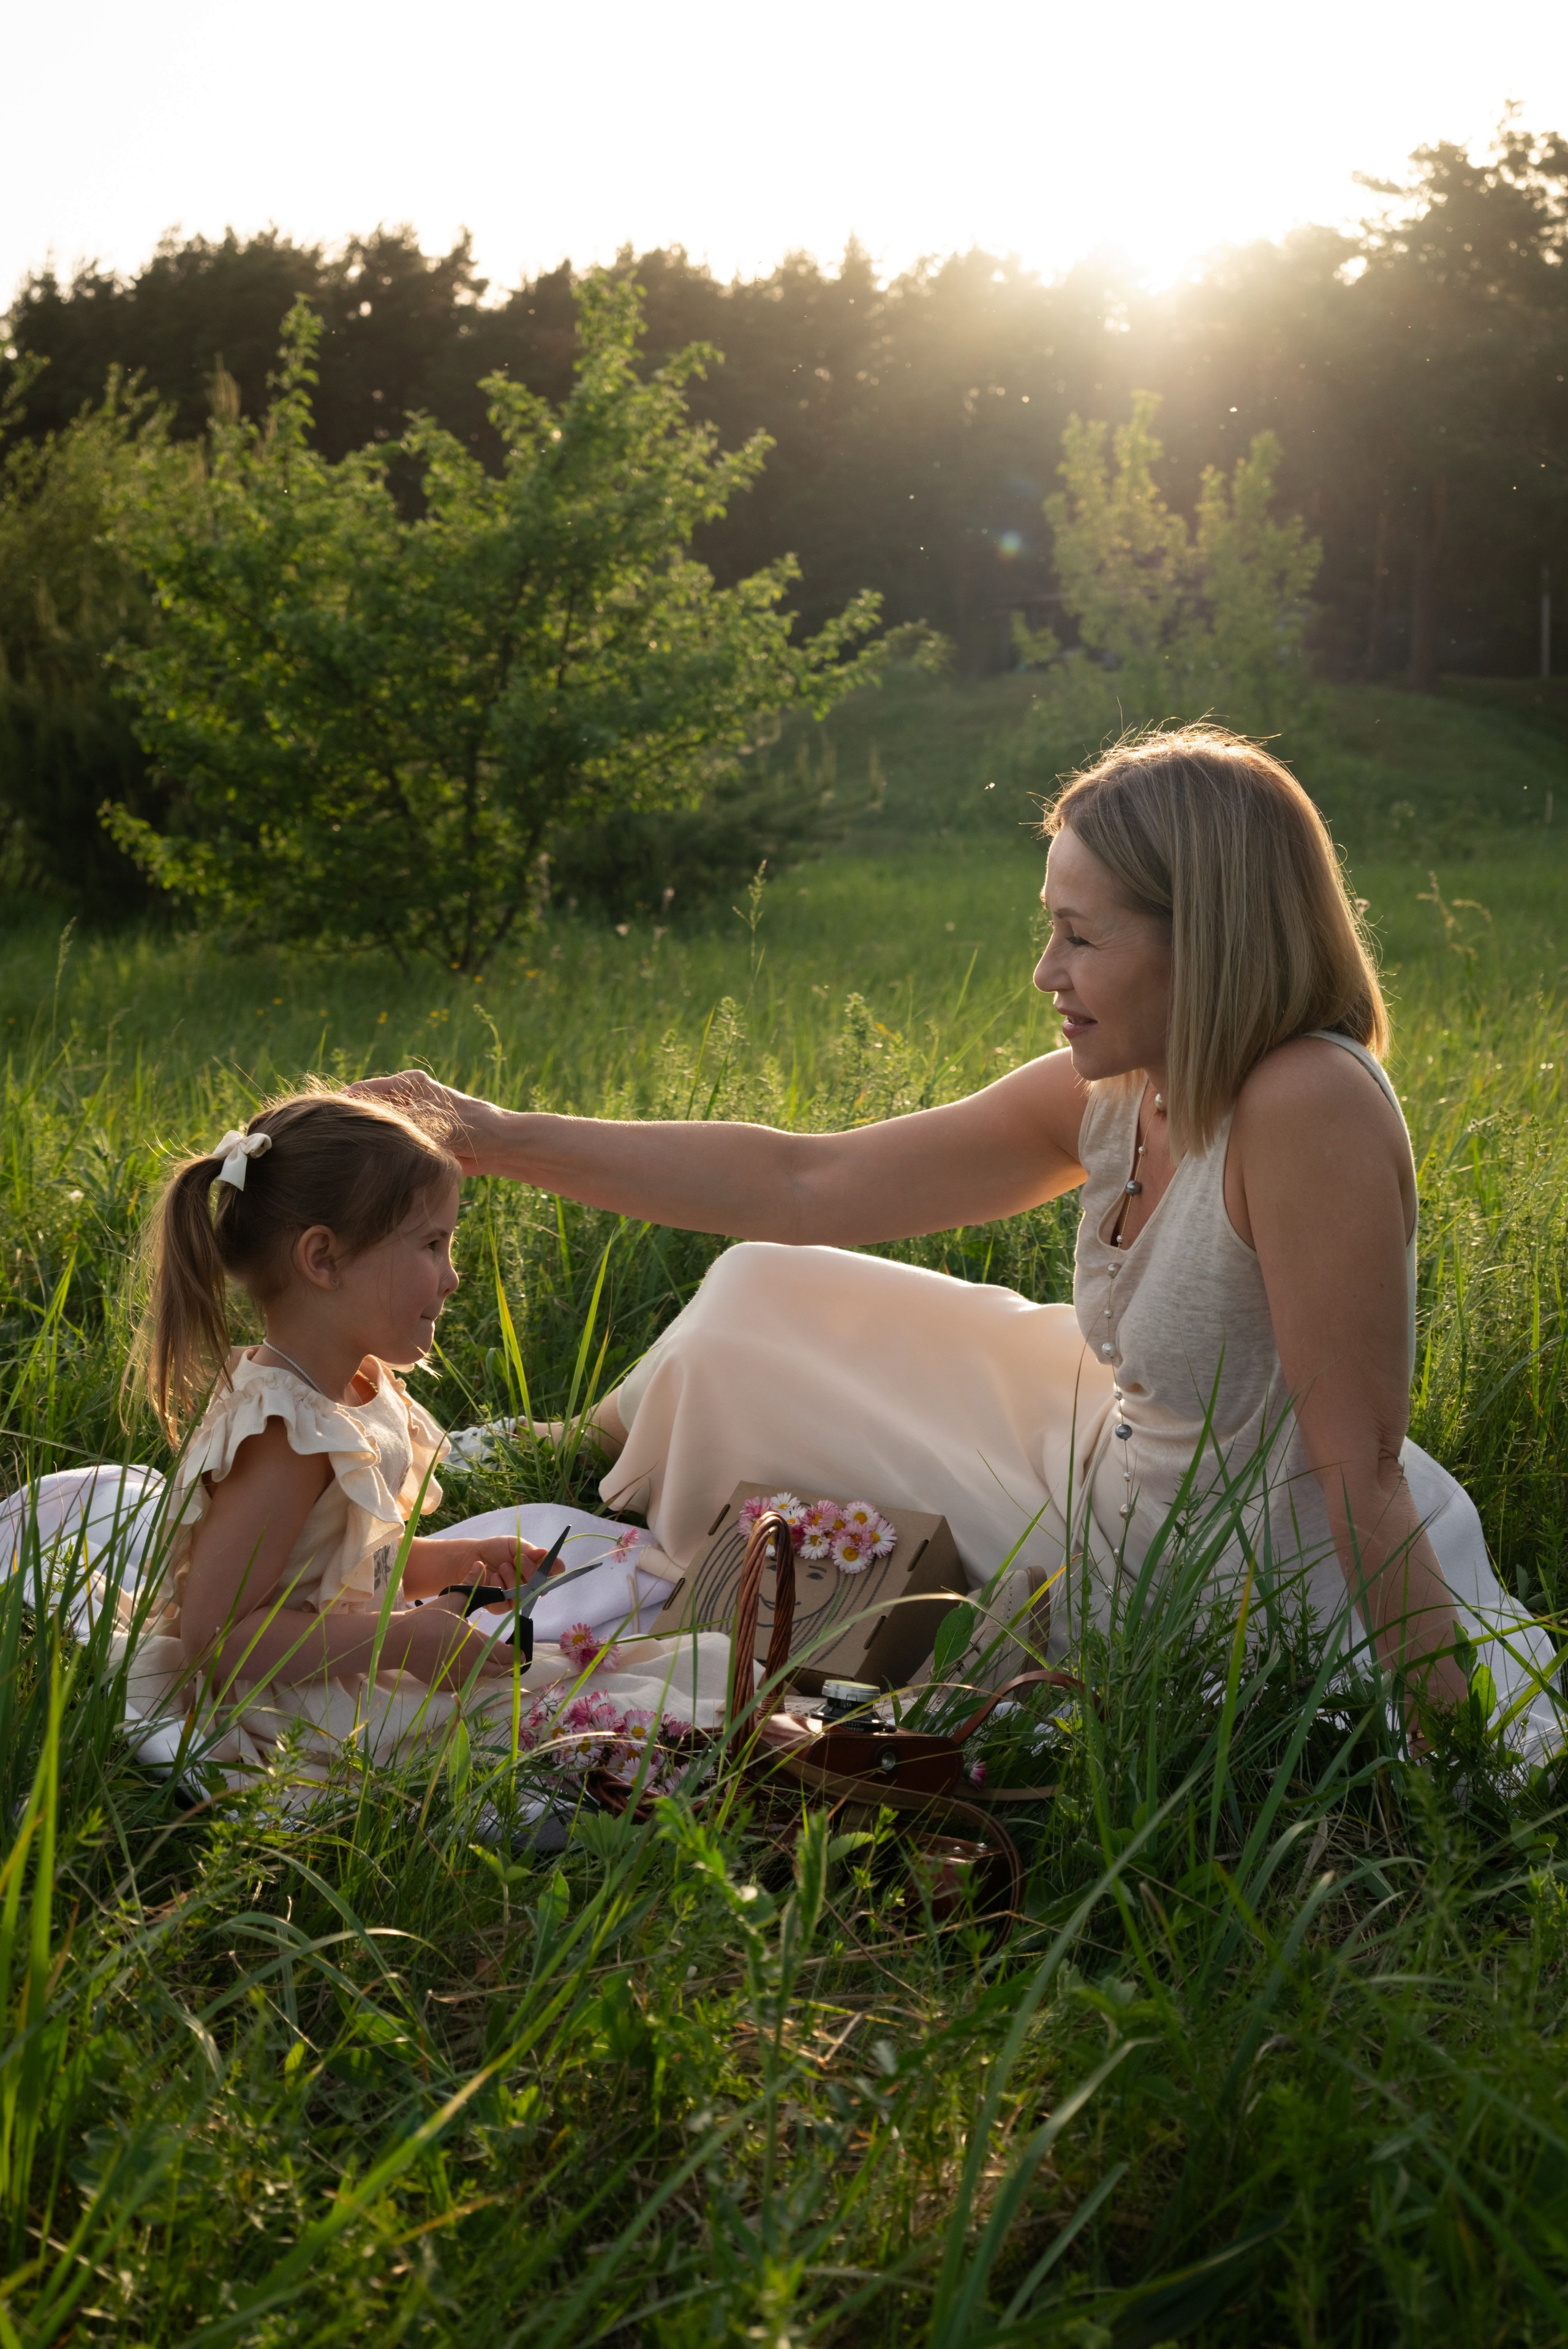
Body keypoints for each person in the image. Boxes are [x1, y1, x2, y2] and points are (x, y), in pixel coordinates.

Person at [360, 726, 1559, 1749]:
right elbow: (806, 1180)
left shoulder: (1307, 1103)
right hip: (1104, 1441)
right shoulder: (1123, 1085)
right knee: (767, 1285)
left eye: (1081, 936)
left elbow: (1359, 1465)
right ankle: (564, 1443)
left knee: (794, 1348)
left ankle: (561, 1454)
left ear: (1206, 934)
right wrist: (492, 1134)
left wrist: (1453, 1762)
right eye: (1050, 929)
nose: (1046, 971)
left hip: (1210, 1570)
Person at [70, 1090, 728, 1790]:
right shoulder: (285, 1437)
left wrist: (455, 1562)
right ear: (323, 1259)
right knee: (586, 1727)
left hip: (341, 1663)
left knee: (640, 1685)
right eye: (431, 1244)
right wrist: (403, 1640)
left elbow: (334, 1568)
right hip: (286, 1708)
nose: (452, 1275)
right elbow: (217, 1636)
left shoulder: (352, 1384)